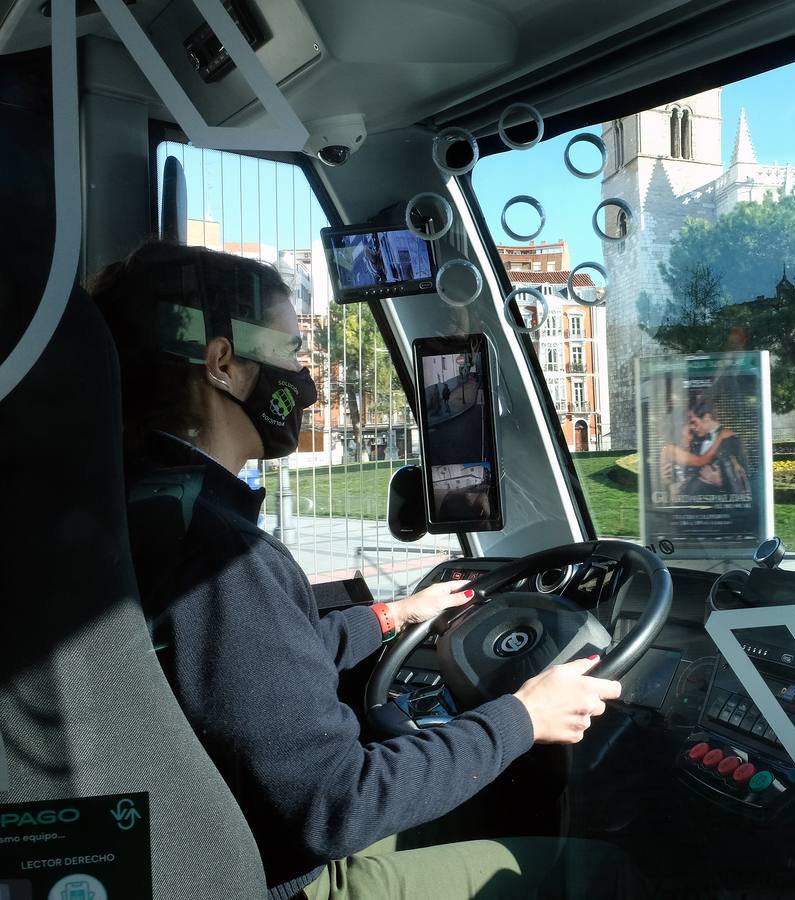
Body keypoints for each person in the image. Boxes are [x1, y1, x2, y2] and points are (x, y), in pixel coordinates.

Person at [93, 242, 640, 900]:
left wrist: (390, 617)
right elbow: (336, 804)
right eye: (292, 351)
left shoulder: (145, 508)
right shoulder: (221, 556)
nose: (306, 379)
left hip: (206, 844)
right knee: (599, 872)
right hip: (263, 875)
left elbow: (240, 667)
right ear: (223, 366)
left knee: (480, 804)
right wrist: (526, 715)